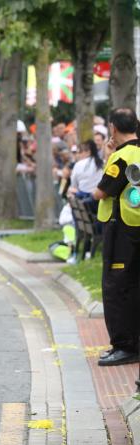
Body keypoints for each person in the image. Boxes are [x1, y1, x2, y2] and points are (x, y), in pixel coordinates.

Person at [92, 108, 140, 366]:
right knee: (133, 286)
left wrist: (109, 156)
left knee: (116, 288)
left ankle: (124, 346)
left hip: (121, 229)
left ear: (113, 128)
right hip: (135, 227)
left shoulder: (122, 156)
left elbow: (100, 193)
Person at [68, 139, 103, 213]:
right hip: (100, 200)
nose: (78, 155)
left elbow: (74, 184)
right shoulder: (102, 163)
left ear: (88, 152)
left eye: (80, 152)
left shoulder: (78, 165)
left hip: (84, 201)